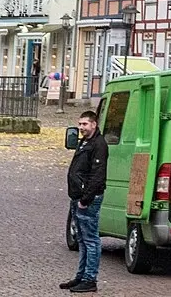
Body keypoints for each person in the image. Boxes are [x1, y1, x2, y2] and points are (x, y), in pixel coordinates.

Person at [62, 108, 107, 293]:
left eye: (84, 124)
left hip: (87, 199)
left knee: (90, 239)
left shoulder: (99, 144)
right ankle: (81, 276)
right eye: (80, 124)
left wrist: (85, 199)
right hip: (77, 196)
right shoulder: (84, 142)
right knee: (81, 239)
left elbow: (97, 176)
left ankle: (90, 279)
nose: (81, 127)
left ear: (94, 124)